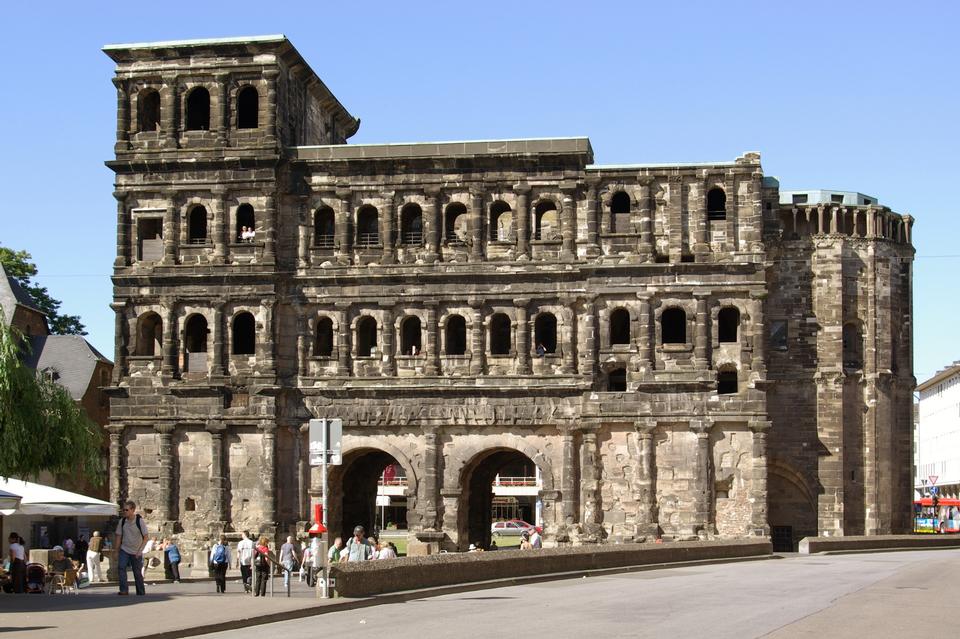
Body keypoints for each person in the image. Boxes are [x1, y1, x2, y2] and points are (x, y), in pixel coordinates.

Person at [114, 499, 150, 596]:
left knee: (137, 572)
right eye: (123, 510)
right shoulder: (122, 522)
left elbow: (146, 537)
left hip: (136, 551)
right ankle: (124, 590)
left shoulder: (139, 521)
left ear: (133, 510)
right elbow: (118, 536)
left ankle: (140, 591)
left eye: (126, 510)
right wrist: (116, 551)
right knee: (121, 567)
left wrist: (140, 551)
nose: (124, 512)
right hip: (124, 549)